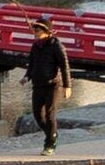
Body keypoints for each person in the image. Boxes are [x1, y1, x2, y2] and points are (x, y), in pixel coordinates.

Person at [24, 20, 72, 152]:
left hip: (52, 85)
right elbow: (32, 63)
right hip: (37, 84)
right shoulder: (35, 46)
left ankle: (50, 144)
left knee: (50, 114)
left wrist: (67, 86)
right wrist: (27, 76)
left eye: (37, 31)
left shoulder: (56, 46)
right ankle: (53, 134)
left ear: (46, 32)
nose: (35, 33)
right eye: (34, 30)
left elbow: (64, 66)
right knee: (37, 115)